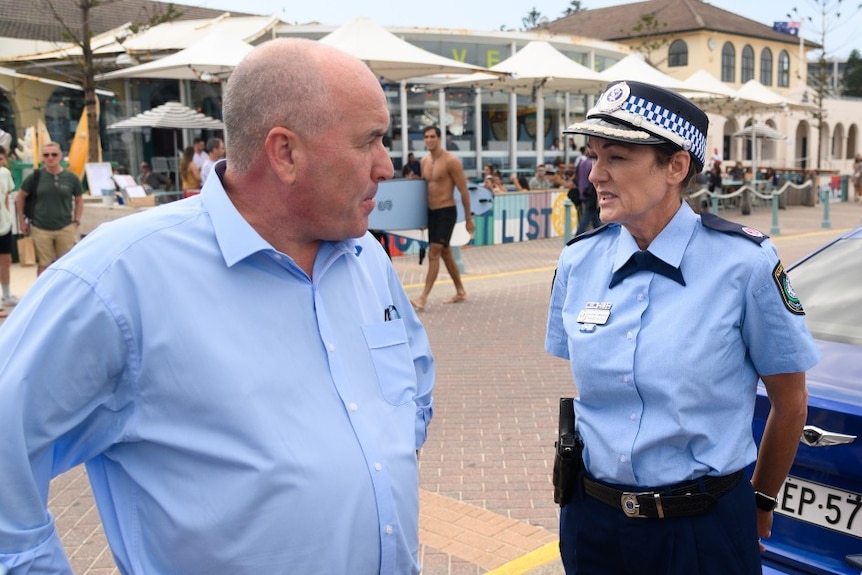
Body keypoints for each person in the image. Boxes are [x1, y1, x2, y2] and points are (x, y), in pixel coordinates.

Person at [0, 38, 434, 575]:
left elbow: (412, 383)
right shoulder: (118, 279)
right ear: (285, 152)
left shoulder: (366, 256)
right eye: (369, 141)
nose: (387, 166)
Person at [545, 80, 820, 575]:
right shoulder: (578, 261)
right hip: (593, 523)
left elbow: (790, 398)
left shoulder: (745, 264)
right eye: (592, 155)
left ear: (676, 166)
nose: (594, 174)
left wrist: (761, 498)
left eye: (617, 157)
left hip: (702, 528)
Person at [410, 125, 474, 311]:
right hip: (431, 212)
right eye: (426, 137)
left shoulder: (451, 161)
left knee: (434, 253)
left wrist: (468, 218)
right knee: (445, 253)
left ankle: (423, 298)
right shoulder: (424, 161)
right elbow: (423, 191)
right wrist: (421, 217)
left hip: (446, 211)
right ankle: (460, 291)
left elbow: (463, 191)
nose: (429, 140)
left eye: (432, 137)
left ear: (439, 139)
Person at [15, 141, 84, 277]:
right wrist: (22, 221)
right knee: (44, 264)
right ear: (42, 158)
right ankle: (42, 294)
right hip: (41, 227)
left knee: (66, 264)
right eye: (46, 155)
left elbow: (79, 199)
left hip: (65, 226)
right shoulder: (35, 177)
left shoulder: (71, 178)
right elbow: (20, 197)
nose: (50, 158)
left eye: (54, 154)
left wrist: (76, 220)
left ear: (60, 156)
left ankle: (64, 294)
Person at [0, 145, 17, 317]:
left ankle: (6, 294)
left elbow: (5, 197)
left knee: (6, 259)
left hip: (4, 224)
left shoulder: (5, 173)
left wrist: (7, 217)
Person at [574, 146, 601, 234]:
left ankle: (600, 232)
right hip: (591, 193)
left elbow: (576, 177)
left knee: (593, 215)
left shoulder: (581, 163)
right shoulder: (592, 164)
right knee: (588, 214)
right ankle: (579, 234)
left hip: (583, 192)